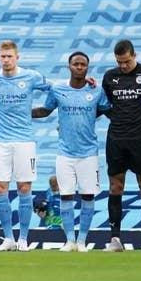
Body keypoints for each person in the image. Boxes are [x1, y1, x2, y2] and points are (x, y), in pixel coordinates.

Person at [32, 51, 107, 252]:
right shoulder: (58, 89)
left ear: (87, 68)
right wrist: (21, 113)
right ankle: (70, 241)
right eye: (76, 64)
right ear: (69, 66)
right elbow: (45, 110)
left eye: (83, 64)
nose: (80, 67)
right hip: (65, 153)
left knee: (88, 196)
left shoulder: (96, 90)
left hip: (89, 153)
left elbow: (108, 109)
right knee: (65, 195)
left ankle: (82, 241)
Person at [0, 40, 48, 251]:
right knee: (0, 188)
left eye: (10, 56)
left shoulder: (31, 77)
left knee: (24, 188)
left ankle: (23, 239)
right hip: (0, 141)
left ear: (17, 58)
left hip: (24, 141)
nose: (6, 60)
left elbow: (57, 89)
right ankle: (8, 238)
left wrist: (44, 110)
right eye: (3, 56)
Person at [99, 39, 141, 252]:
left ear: (134, 55)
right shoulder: (109, 77)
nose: (123, 66)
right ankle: (115, 239)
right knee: (116, 186)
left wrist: (140, 118)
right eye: (119, 62)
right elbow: (102, 104)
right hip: (116, 138)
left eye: (126, 61)